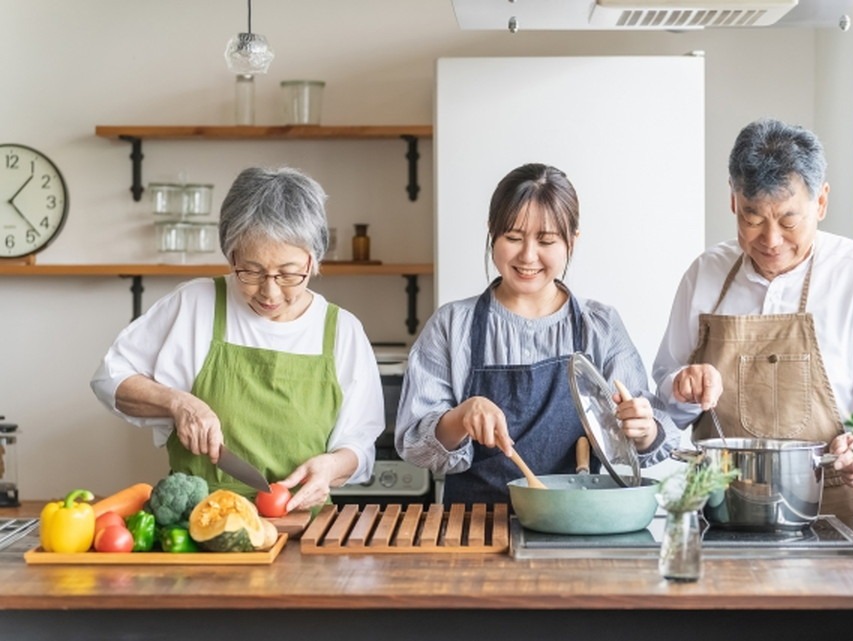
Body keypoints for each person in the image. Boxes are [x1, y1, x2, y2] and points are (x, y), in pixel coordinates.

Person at [651, 118, 853, 522]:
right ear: (733, 201)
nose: (771, 239)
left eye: (789, 220)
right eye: (752, 218)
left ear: (822, 202)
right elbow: (665, 398)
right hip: (717, 507)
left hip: (823, 508)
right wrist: (682, 386)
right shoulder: (705, 274)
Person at [91, 167, 384, 511]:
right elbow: (109, 379)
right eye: (251, 271)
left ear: (313, 259)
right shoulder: (194, 304)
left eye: (289, 274)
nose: (270, 291)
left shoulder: (343, 331)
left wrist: (332, 467)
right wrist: (179, 403)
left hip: (301, 523)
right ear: (231, 256)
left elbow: (360, 444)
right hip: (196, 521)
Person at [395, 163, 680, 505]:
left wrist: (643, 430)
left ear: (572, 242)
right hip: (473, 527)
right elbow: (415, 445)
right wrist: (460, 417)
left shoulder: (600, 325)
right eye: (513, 238)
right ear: (492, 233)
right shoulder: (452, 325)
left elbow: (647, 437)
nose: (528, 256)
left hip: (574, 524)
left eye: (546, 240)